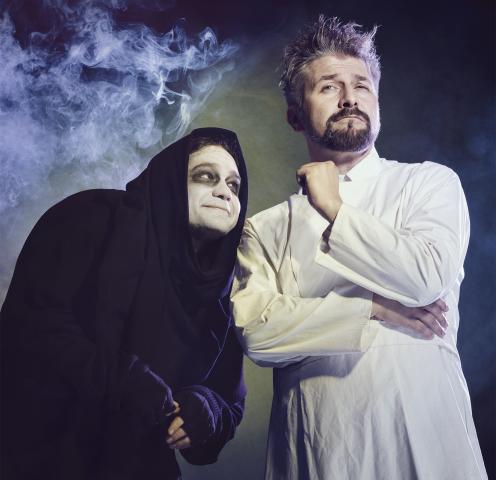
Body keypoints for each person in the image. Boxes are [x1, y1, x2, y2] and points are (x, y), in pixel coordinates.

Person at [231, 16, 487, 480]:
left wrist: (334, 209)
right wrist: (372, 308)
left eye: (362, 86)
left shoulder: (428, 183)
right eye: (329, 87)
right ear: (294, 115)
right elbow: (257, 333)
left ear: (377, 102)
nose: (350, 98)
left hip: (423, 439)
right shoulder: (264, 229)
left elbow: (426, 277)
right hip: (317, 445)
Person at [1, 127, 248, 480]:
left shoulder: (223, 291)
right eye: (205, 176)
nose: (224, 191)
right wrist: (120, 379)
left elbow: (229, 402)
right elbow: (30, 325)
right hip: (43, 455)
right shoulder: (93, 217)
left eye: (234, 185)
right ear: (170, 183)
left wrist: (203, 411)